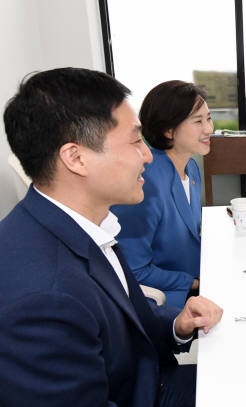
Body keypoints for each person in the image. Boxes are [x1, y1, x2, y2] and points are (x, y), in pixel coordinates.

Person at [0, 68, 223, 407]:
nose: (148, 155)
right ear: (76, 158)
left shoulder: (88, 223)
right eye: (136, 141)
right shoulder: (44, 296)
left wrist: (177, 324)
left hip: (153, 378)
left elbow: (129, 315)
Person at [112, 80, 213, 309]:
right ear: (168, 130)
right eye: (198, 121)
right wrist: (193, 283)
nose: (209, 129)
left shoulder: (191, 167)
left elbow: (191, 231)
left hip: (198, 272)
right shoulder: (145, 182)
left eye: (208, 118)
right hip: (170, 298)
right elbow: (134, 270)